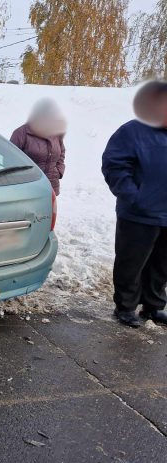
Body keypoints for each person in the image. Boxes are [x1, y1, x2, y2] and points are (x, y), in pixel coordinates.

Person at [102, 80, 167, 328]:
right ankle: (126, 306)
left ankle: (153, 306)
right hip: (138, 214)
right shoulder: (132, 131)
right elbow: (114, 165)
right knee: (131, 263)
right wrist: (135, 196)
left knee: (161, 265)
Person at [10, 99, 67, 195]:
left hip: (51, 185)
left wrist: (58, 172)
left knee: (48, 210)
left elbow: (61, 153)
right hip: (28, 186)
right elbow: (9, 158)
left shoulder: (56, 133)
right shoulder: (21, 133)